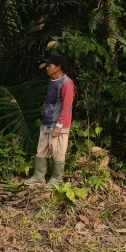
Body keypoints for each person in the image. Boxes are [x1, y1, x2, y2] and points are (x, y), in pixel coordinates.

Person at [24, 53, 75, 187]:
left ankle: (56, 180)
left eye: (50, 65)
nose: (47, 68)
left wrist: (59, 125)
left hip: (58, 124)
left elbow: (67, 106)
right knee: (41, 150)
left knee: (58, 152)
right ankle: (38, 177)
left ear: (58, 67)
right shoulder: (52, 81)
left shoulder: (66, 83)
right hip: (47, 121)